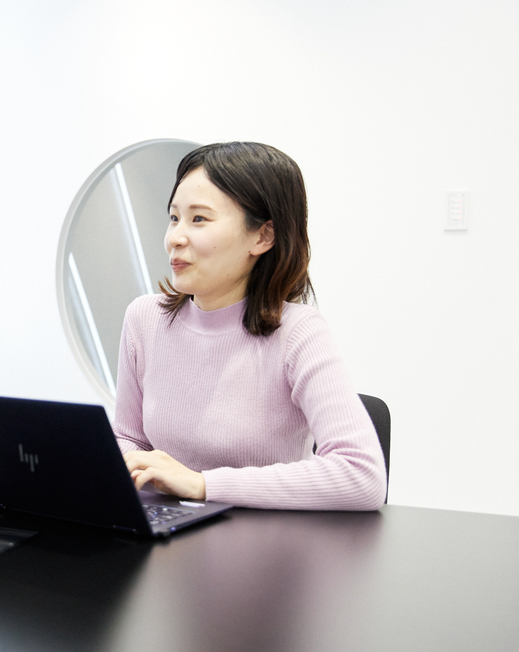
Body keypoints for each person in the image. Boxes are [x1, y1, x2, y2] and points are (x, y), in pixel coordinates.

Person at [115, 142, 387, 510]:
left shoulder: (298, 332)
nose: (174, 238)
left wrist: (203, 484)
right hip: (171, 533)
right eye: (174, 218)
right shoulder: (144, 319)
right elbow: (129, 439)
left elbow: (362, 475)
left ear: (262, 236)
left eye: (199, 219)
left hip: (265, 540)